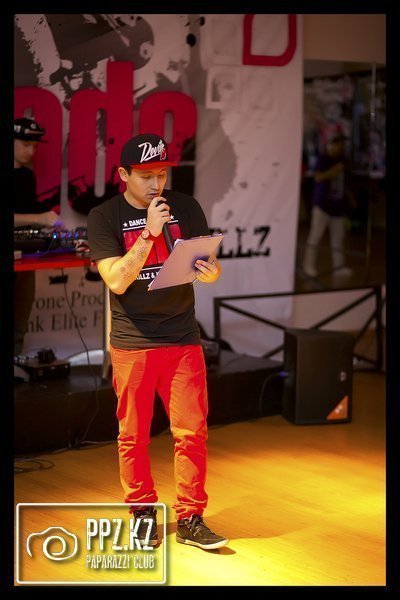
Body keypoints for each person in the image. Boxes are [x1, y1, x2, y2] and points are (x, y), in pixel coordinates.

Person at [87, 133, 228, 551]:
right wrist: (149, 234)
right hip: (133, 341)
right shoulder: (104, 216)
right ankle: (142, 513)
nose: (156, 184)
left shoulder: (186, 206)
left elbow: (208, 263)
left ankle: (190, 518)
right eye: (146, 175)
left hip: (182, 335)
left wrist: (212, 272)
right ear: (123, 174)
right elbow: (116, 280)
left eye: (162, 174)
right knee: (133, 435)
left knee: (192, 433)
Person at [14, 117, 63, 360]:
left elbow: (29, 208)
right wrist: (39, 218)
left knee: (21, 315)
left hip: (25, 255)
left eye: (34, 146)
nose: (31, 151)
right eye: (26, 145)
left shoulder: (27, 176)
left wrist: (50, 218)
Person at [302, 133, 356, 278]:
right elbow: (318, 177)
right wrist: (334, 171)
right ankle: (308, 266)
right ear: (330, 145)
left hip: (337, 206)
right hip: (322, 205)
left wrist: (350, 198)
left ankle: (339, 267)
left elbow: (344, 183)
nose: (341, 147)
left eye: (342, 144)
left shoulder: (343, 160)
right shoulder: (323, 159)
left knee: (338, 238)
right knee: (315, 236)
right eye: (338, 144)